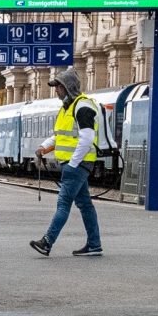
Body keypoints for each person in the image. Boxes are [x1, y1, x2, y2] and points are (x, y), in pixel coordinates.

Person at [29, 68, 102, 258]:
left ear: (67, 87)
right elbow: (60, 136)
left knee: (63, 204)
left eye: (58, 87)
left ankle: (47, 242)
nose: (56, 91)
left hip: (77, 164)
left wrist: (73, 164)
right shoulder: (67, 108)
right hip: (74, 163)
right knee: (85, 205)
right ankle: (94, 245)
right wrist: (43, 147)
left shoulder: (82, 106)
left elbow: (86, 138)